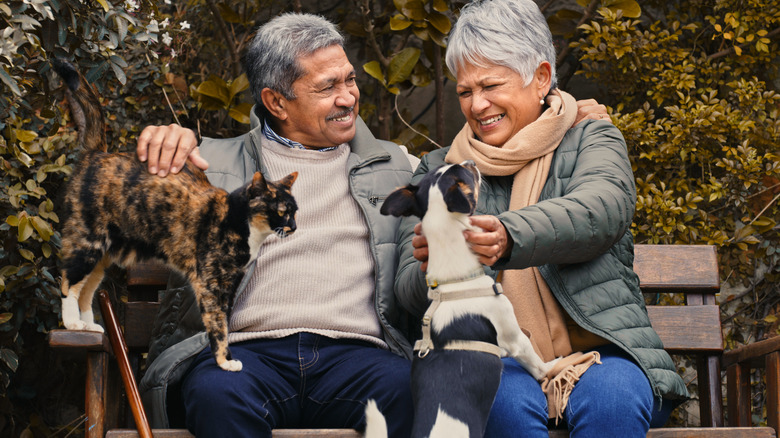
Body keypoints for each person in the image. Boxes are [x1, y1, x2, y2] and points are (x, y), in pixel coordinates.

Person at [393, 1, 688, 437]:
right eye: (464, 91)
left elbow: (600, 209)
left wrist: (507, 237)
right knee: (499, 406)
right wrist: (434, 267)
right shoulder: (438, 171)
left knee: (613, 404)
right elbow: (406, 292)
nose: (477, 105)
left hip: (602, 354)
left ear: (541, 79)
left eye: (491, 85)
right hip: (492, 356)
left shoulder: (592, 138)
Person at [136, 13, 419, 437]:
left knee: (407, 388)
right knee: (216, 394)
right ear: (276, 102)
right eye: (327, 87)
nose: (348, 98)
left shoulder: (399, 166)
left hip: (358, 357)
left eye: (349, 80)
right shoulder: (211, 164)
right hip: (247, 356)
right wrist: (161, 147)